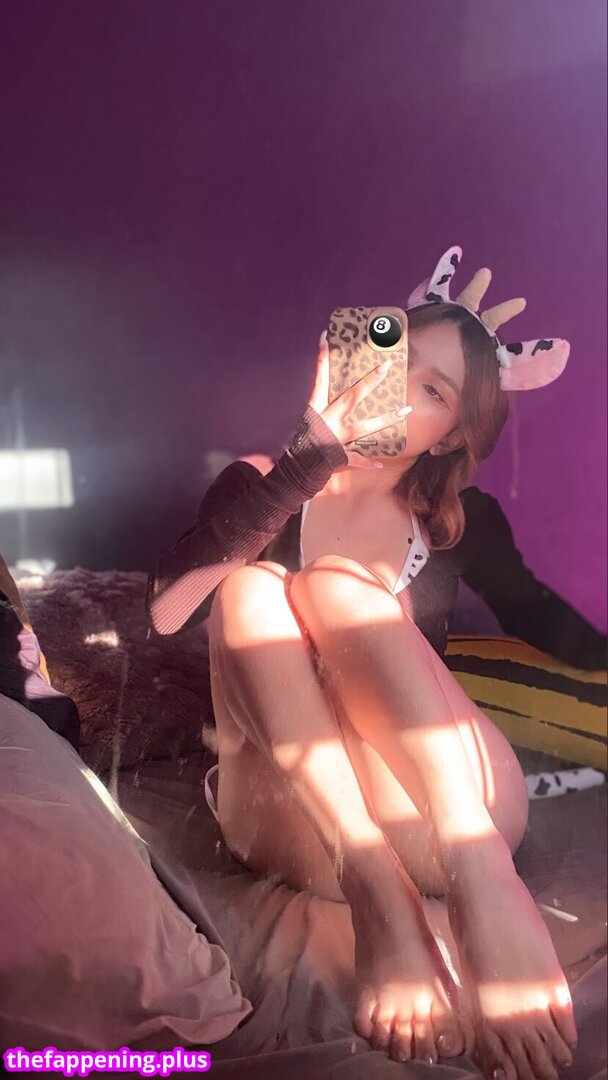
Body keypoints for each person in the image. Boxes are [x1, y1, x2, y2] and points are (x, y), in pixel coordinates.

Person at [147, 247, 605, 1080]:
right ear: (360, 355)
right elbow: (168, 611)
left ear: (453, 433)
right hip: (307, 825)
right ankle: (380, 895)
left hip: (449, 810)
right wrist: (308, 460)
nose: (398, 391)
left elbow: (541, 620)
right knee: (251, 591)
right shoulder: (261, 483)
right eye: (397, 359)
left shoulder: (462, 521)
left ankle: (482, 880)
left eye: (433, 391)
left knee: (335, 587)